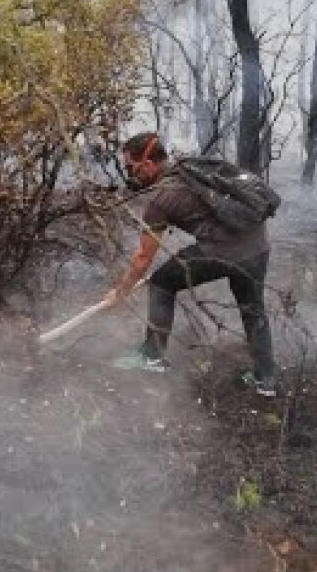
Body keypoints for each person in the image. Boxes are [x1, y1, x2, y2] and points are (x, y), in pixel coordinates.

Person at [102, 132, 277, 397]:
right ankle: (266, 379)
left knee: (161, 282)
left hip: (224, 250)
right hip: (258, 244)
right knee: (253, 308)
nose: (129, 175)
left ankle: (152, 355)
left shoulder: (159, 199)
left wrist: (121, 292)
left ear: (148, 164)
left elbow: (143, 258)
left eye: (130, 167)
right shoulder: (189, 168)